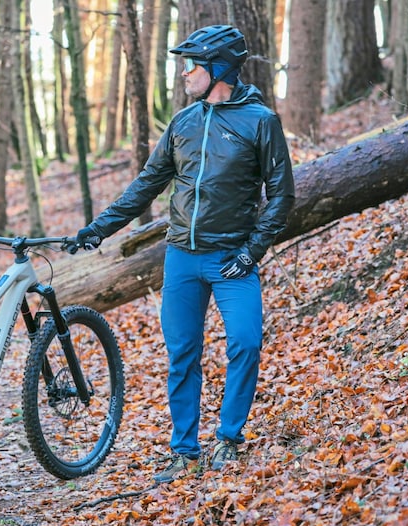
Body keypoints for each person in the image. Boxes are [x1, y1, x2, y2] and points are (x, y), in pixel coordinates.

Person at [75, 25, 296, 483]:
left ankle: (229, 439)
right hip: (181, 259)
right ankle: (184, 450)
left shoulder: (260, 121)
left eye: (191, 64)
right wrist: (99, 229)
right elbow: (147, 185)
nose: (183, 73)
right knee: (182, 354)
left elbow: (281, 196)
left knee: (246, 343)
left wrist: (253, 250)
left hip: (234, 258)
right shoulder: (183, 122)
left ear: (219, 68)